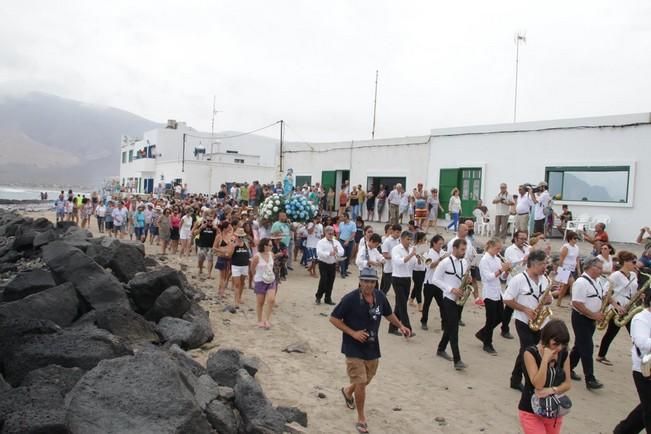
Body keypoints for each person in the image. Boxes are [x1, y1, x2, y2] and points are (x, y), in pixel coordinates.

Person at [330, 267, 412, 434]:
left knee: (366, 379)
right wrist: (353, 333)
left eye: (372, 282)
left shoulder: (380, 296)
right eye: (365, 281)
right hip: (353, 346)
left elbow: (388, 314)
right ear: (360, 281)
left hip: (372, 345)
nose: (368, 285)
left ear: (376, 282)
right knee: (361, 383)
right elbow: (333, 318)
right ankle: (361, 418)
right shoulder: (350, 299)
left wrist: (401, 326)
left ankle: (347, 391)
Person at [503, 250, 554, 391]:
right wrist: (525, 309)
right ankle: (530, 383)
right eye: (543, 264)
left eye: (546, 263)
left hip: (540, 322)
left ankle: (515, 379)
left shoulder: (545, 280)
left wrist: (549, 299)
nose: (545, 267)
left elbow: (547, 297)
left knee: (526, 351)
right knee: (529, 351)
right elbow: (507, 299)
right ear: (533, 264)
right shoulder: (518, 279)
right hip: (523, 321)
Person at [518, 319, 572, 434]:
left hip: (553, 410)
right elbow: (538, 384)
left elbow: (568, 384)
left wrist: (552, 390)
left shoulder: (564, 354)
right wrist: (545, 360)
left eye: (563, 344)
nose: (559, 348)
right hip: (530, 410)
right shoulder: (530, 353)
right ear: (546, 340)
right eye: (555, 344)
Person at [613, 290, 651, 434]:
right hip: (644, 370)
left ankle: (623, 431)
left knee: (646, 406)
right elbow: (641, 342)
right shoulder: (641, 318)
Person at [568, 257, 607, 390]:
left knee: (579, 346)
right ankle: (590, 378)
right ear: (591, 267)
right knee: (587, 348)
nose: (601, 271)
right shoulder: (581, 282)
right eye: (599, 268)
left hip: (591, 318)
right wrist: (594, 314)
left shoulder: (598, 281)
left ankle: (566, 368)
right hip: (581, 318)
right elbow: (577, 303)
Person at [597, 251, 639, 365]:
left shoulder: (634, 275)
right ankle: (601, 355)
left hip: (628, 306)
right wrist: (616, 306)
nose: (636, 264)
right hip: (617, 307)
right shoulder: (616, 275)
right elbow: (606, 292)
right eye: (633, 262)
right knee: (611, 332)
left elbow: (633, 292)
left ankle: (640, 357)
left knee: (635, 333)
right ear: (625, 262)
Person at [433, 238, 469, 370]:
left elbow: (462, 277)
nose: (464, 252)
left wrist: (467, 280)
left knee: (449, 326)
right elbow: (435, 279)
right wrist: (450, 289)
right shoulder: (445, 263)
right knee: (454, 329)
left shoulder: (464, 262)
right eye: (462, 250)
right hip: (448, 298)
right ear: (454, 249)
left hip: (459, 299)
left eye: (465, 250)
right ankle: (457, 360)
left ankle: (441, 349)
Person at [476, 238, 512, 354]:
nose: (499, 251)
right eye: (497, 248)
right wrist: (502, 269)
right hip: (489, 292)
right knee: (490, 319)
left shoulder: (497, 259)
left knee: (500, 317)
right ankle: (487, 343)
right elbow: (488, 277)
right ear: (490, 246)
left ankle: (483, 333)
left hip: (497, 292)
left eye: (500, 248)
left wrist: (506, 273)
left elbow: (501, 278)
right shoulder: (484, 260)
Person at [389, 231, 418, 336]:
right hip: (397, 278)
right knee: (402, 306)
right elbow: (399, 262)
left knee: (399, 305)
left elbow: (414, 265)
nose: (409, 242)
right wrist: (411, 255)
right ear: (401, 239)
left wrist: (418, 259)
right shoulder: (396, 249)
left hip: (407, 279)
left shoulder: (411, 250)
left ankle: (392, 328)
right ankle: (407, 330)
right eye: (407, 239)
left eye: (411, 239)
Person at [420, 234, 446, 331]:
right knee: (427, 304)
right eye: (439, 244)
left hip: (439, 283)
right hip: (429, 282)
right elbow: (430, 265)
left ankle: (444, 323)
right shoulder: (428, 253)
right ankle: (424, 321)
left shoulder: (443, 252)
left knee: (442, 305)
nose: (441, 246)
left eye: (442, 244)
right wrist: (440, 259)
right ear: (434, 243)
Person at [251, 238, 277, 329]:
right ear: (264, 246)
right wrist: (255, 278)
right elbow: (252, 268)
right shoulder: (257, 256)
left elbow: (272, 266)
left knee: (271, 300)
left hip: (270, 279)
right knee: (260, 302)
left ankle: (267, 320)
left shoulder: (271, 255)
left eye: (271, 245)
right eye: (270, 245)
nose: (271, 247)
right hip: (260, 280)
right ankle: (259, 320)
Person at [315, 226, 344, 305]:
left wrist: (337, 251)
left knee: (331, 281)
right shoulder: (321, 242)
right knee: (323, 280)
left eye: (332, 233)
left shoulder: (336, 242)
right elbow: (319, 253)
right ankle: (318, 296)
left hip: (332, 264)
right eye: (329, 233)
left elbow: (342, 252)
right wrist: (329, 254)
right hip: (323, 263)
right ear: (325, 233)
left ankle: (328, 298)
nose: (331, 235)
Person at [555, 231, 581, 308]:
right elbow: (561, 259)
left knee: (565, 287)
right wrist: (560, 271)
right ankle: (573, 302)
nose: (576, 240)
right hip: (565, 268)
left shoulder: (577, 247)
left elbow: (577, 259)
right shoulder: (566, 247)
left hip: (572, 268)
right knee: (574, 284)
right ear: (570, 239)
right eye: (574, 238)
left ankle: (559, 302)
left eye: (577, 238)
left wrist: (578, 270)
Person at [231, 227, 252, 305]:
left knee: (242, 283)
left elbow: (249, 255)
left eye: (242, 237)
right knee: (237, 284)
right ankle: (236, 300)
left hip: (244, 265)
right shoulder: (233, 243)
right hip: (236, 265)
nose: (240, 238)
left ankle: (239, 297)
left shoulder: (246, 243)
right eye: (239, 236)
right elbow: (229, 254)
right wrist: (234, 246)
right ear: (236, 236)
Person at [408, 231, 428, 311]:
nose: (426, 240)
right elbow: (414, 262)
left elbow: (427, 258)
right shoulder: (414, 248)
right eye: (424, 239)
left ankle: (411, 300)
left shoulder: (425, 247)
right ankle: (420, 305)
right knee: (418, 287)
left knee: (417, 286)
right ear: (420, 240)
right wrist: (419, 260)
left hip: (423, 269)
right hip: (416, 270)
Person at [380, 224, 401, 295]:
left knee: (397, 288)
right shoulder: (387, 241)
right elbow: (384, 254)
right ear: (393, 231)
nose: (399, 234)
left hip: (396, 269)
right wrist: (395, 257)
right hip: (388, 268)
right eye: (397, 232)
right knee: (386, 287)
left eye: (400, 232)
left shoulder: (398, 240)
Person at [195, 212, 217, 278]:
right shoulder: (202, 225)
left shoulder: (215, 227)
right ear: (206, 220)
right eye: (208, 220)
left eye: (211, 220)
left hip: (210, 246)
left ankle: (209, 274)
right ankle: (200, 269)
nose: (209, 222)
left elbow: (219, 235)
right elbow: (195, 233)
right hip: (202, 245)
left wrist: (217, 229)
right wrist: (200, 228)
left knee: (210, 260)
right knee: (200, 260)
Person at [338, 213, 357, 279]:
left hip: (350, 242)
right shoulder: (341, 224)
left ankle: (345, 270)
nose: (341, 218)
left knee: (348, 256)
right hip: (342, 240)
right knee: (342, 256)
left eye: (342, 217)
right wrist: (337, 241)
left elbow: (353, 233)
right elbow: (339, 232)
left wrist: (348, 240)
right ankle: (342, 272)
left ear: (346, 217)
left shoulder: (352, 224)